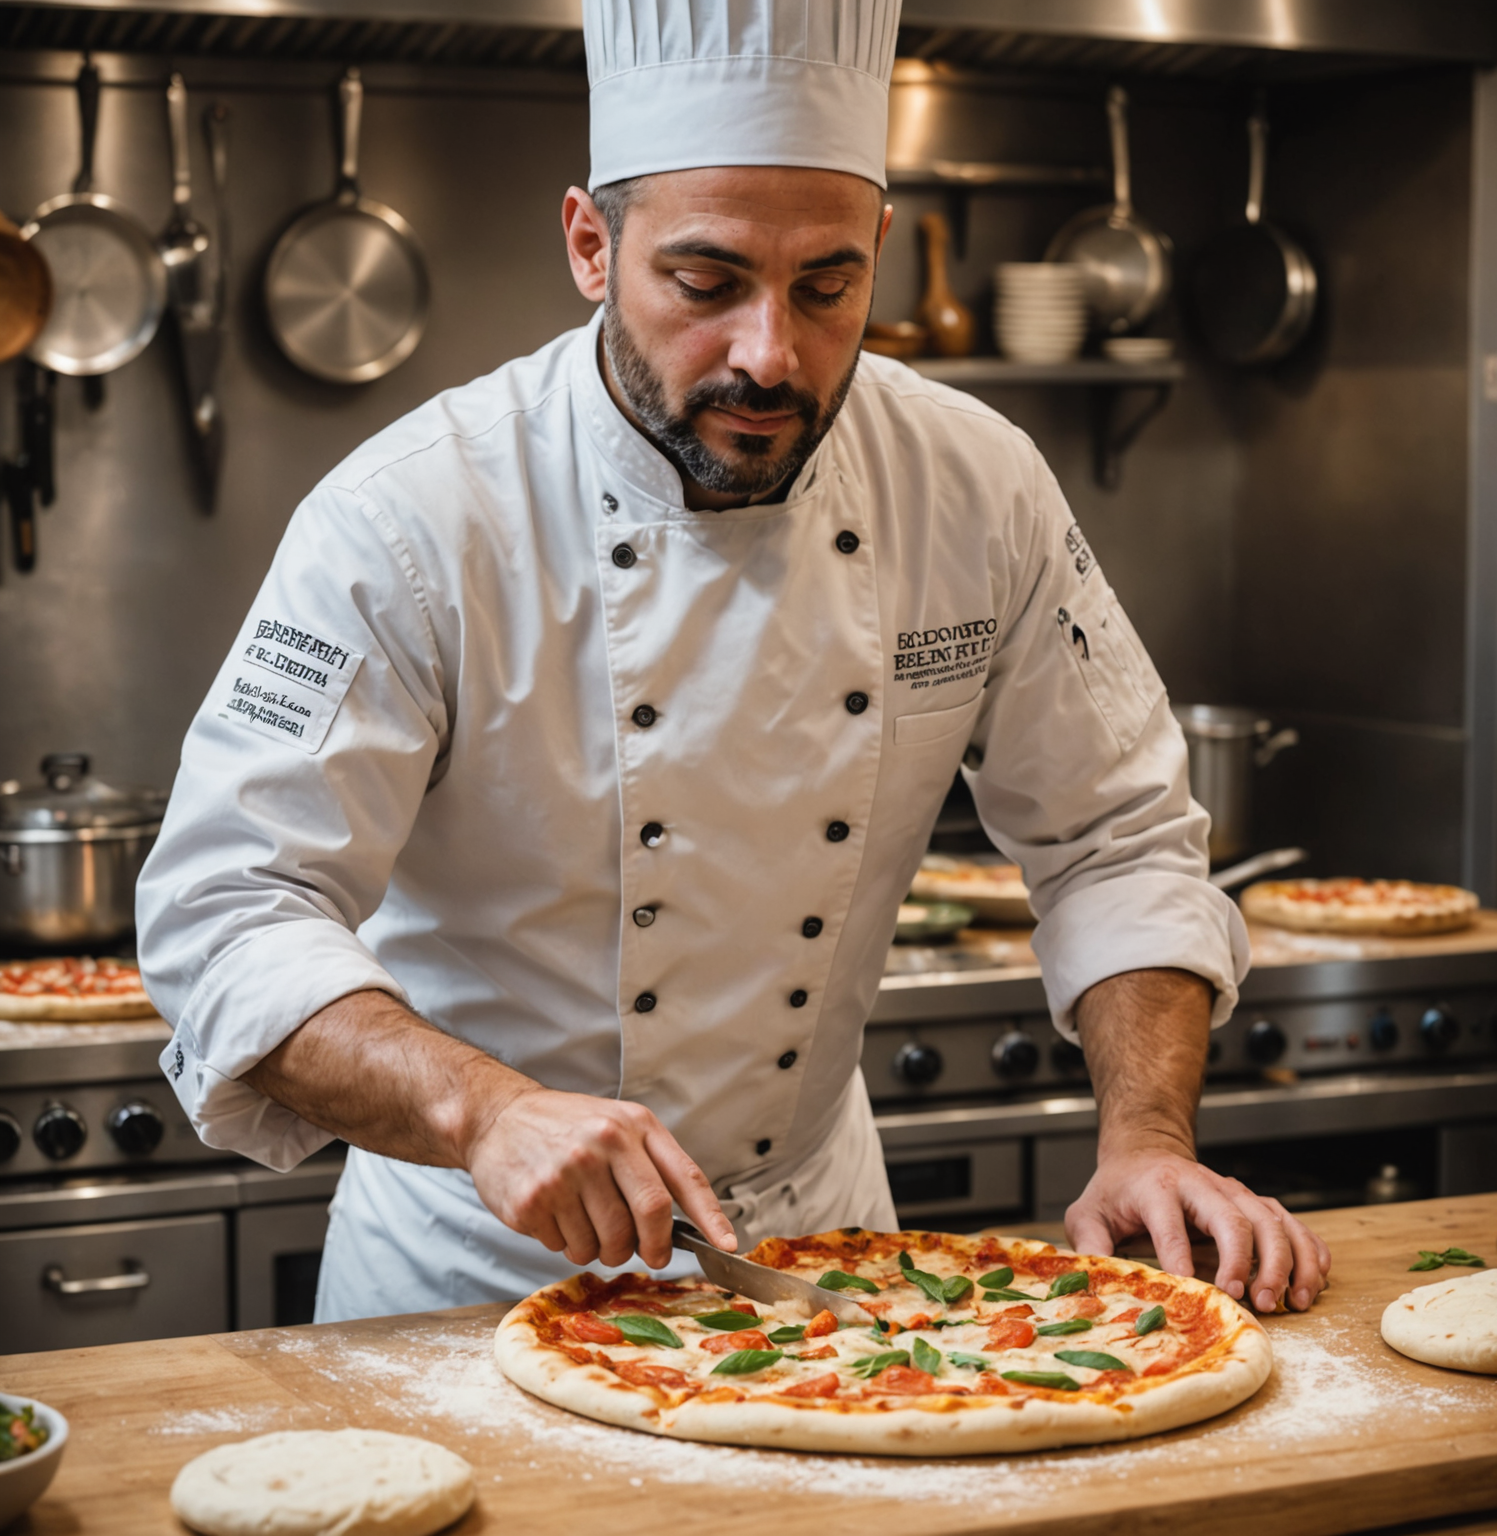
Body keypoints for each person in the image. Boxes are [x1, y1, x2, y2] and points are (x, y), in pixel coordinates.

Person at [137, 0, 1330, 1323]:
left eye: (829, 288)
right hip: (471, 1270)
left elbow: (1117, 838)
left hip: (828, 1265)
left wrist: (1148, 1141)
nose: (772, 354)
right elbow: (226, 913)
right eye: (705, 284)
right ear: (592, 245)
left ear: (880, 245)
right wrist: (485, 1112)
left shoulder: (973, 483)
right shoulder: (414, 518)